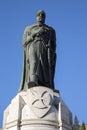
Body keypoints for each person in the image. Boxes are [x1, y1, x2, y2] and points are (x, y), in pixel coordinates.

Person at [19, 10, 56, 92]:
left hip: (44, 48)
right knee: (34, 62)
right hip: (33, 46)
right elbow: (24, 42)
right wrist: (34, 34)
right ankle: (33, 80)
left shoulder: (50, 30)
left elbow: (54, 44)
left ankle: (46, 84)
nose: (40, 17)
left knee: (44, 66)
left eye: (42, 15)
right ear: (36, 17)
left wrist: (51, 50)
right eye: (38, 15)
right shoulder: (29, 28)